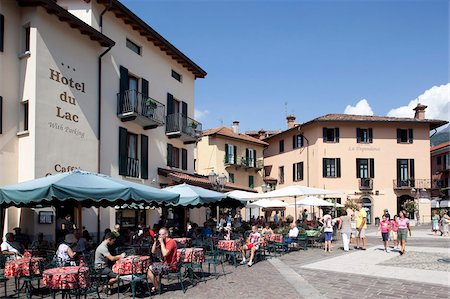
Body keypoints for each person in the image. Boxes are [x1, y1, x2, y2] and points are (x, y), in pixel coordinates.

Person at [147, 227, 178, 293]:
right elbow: (153, 251)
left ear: (166, 234)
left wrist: (161, 242)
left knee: (149, 269)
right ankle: (157, 285)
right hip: (164, 264)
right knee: (149, 266)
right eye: (159, 234)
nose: (160, 236)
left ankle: (157, 287)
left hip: (170, 265)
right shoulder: (163, 242)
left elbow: (165, 254)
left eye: (161, 234)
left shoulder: (171, 242)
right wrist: (155, 242)